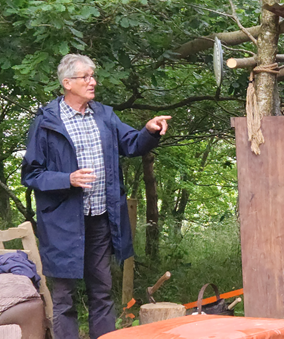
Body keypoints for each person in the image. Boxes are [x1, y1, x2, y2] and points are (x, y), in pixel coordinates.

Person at [22, 54, 172, 339]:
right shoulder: (46, 121)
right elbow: (32, 174)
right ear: (67, 83)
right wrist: (67, 179)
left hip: (101, 219)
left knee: (102, 292)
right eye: (86, 77)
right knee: (64, 297)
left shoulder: (104, 115)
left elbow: (131, 144)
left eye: (93, 76)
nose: (93, 82)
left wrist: (149, 131)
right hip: (63, 224)